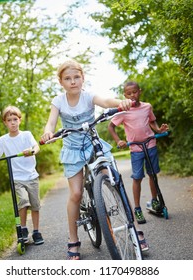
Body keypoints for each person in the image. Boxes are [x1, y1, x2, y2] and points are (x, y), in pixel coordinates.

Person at [40, 59, 148, 260]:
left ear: (83, 78)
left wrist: (120, 102)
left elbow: (107, 102)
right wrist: (48, 133)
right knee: (76, 193)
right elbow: (51, 123)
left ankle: (135, 230)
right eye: (68, 78)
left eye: (76, 77)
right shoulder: (58, 101)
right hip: (73, 149)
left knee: (114, 182)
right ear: (61, 82)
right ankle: (73, 240)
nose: (73, 81)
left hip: (93, 144)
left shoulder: (88, 96)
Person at [108, 81, 169, 224]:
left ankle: (154, 200)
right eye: (128, 94)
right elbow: (111, 127)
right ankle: (137, 208)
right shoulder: (123, 111)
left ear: (139, 91)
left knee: (152, 174)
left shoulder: (147, 107)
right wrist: (118, 141)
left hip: (150, 144)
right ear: (124, 96)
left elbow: (152, 121)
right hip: (135, 148)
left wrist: (158, 130)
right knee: (137, 177)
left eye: (134, 92)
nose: (132, 96)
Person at [0, 105, 44, 245]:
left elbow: (37, 147)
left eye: (15, 119)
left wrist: (32, 151)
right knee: (23, 201)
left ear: (20, 120)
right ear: (5, 123)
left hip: (31, 176)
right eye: (9, 120)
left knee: (35, 205)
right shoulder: (3, 140)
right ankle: (23, 230)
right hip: (17, 178)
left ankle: (36, 231)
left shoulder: (26, 135)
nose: (12, 122)